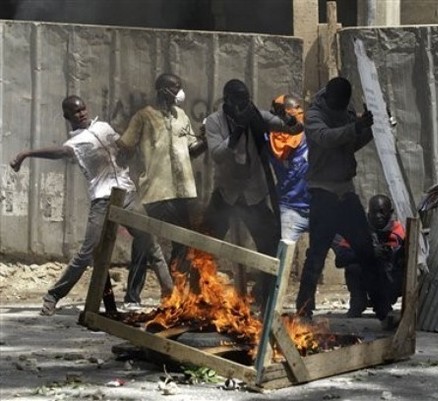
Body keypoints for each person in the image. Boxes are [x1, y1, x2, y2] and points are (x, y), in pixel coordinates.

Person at [10, 95, 173, 315]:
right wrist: (25, 154)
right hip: (103, 199)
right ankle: (53, 296)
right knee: (88, 252)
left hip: (127, 192)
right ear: (68, 116)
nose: (82, 113)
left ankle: (171, 296)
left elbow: (123, 146)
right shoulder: (74, 143)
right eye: (76, 112)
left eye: (83, 109)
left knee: (150, 244)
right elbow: (57, 153)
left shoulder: (104, 127)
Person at [295, 76, 390, 324]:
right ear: (329, 99)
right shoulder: (313, 115)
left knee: (366, 252)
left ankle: (383, 309)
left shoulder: (347, 111)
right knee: (316, 256)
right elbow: (327, 138)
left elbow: (351, 144)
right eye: (338, 103)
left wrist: (372, 127)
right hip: (323, 193)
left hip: (345, 192)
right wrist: (356, 127)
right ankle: (303, 311)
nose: (342, 108)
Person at [202, 79, 303, 307]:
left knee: (269, 244)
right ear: (228, 100)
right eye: (239, 99)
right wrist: (237, 131)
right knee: (205, 244)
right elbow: (218, 154)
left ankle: (264, 296)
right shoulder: (214, 122)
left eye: (246, 98)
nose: (244, 104)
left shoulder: (257, 116)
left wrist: (287, 117)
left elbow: (294, 129)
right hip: (226, 193)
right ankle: (202, 298)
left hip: (253, 193)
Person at [117, 73, 205, 267]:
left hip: (181, 192)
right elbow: (126, 146)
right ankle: (134, 294)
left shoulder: (181, 116)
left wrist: (205, 141)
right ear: (163, 90)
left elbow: (191, 150)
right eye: (175, 87)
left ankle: (174, 288)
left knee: (181, 243)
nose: (179, 92)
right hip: (155, 192)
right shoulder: (143, 117)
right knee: (145, 241)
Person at [332, 194, 406, 318]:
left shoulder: (398, 230)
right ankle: (358, 301)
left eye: (382, 212)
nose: (378, 216)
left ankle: (383, 303)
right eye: (374, 212)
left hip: (390, 280)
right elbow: (340, 259)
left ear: (390, 212)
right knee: (353, 267)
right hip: (365, 276)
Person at [268, 94, 310, 242]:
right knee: (283, 256)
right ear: (285, 113)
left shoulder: (309, 132)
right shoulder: (271, 139)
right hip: (290, 209)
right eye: (296, 108)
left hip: (319, 208)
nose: (300, 111)